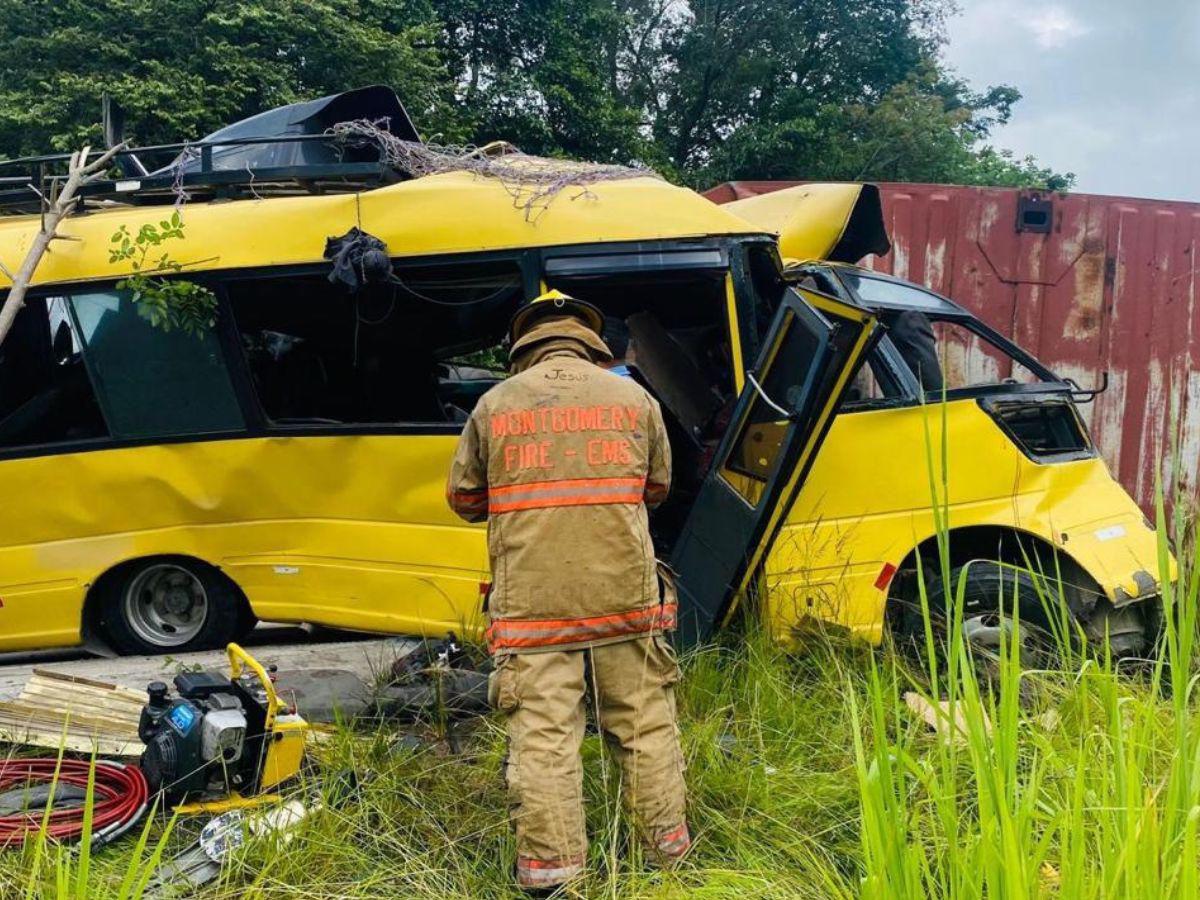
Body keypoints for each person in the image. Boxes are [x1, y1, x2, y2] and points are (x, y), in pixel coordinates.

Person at [446, 289, 688, 892]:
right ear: (593, 341)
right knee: (643, 724)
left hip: (533, 609)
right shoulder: (635, 400)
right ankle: (667, 856)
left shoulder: (494, 405)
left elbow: (464, 500)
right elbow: (656, 488)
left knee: (545, 737)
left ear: (521, 346)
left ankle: (553, 874)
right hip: (626, 600)